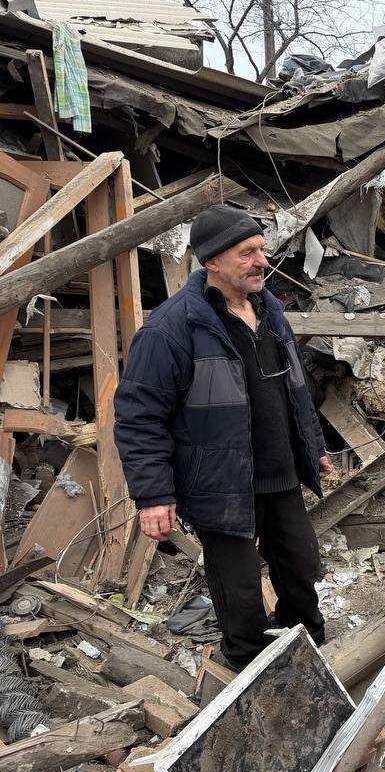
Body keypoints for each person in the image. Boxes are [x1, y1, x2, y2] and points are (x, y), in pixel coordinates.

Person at [114, 204, 333, 671]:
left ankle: (306, 645)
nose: (262, 261)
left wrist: (313, 447)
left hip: (280, 470)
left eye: (262, 250)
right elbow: (139, 417)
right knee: (239, 586)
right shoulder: (171, 329)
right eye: (247, 253)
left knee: (301, 563)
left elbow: (295, 390)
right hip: (220, 482)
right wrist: (154, 495)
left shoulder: (271, 311)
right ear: (212, 261)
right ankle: (248, 664)